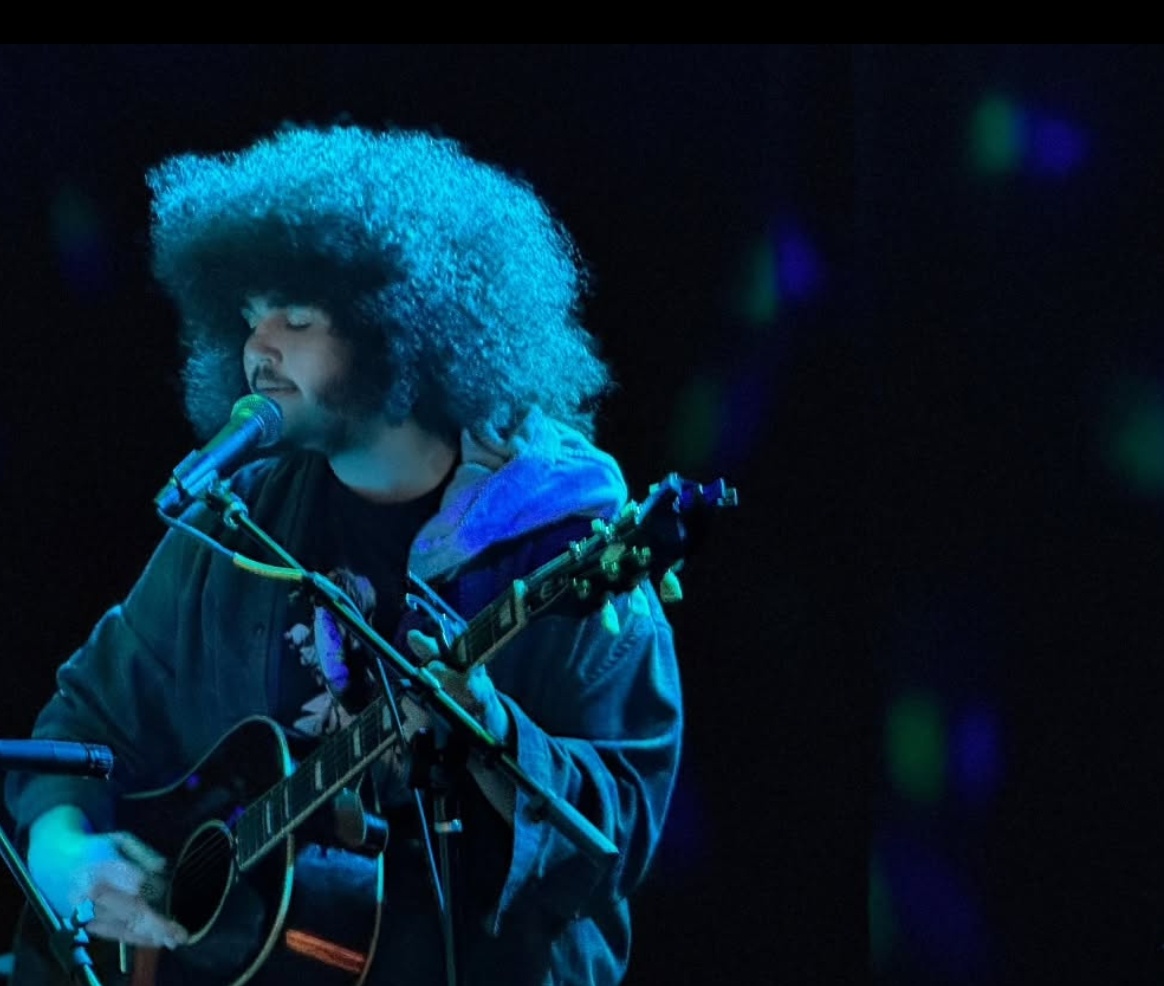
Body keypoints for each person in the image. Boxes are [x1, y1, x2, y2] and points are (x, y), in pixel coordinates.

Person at [3, 121, 684, 986]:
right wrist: (60, 849)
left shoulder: (570, 544)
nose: (257, 352)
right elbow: (85, 721)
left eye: (295, 317)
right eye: (248, 319)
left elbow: (619, 831)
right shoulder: (239, 519)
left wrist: (494, 735)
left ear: (398, 324)